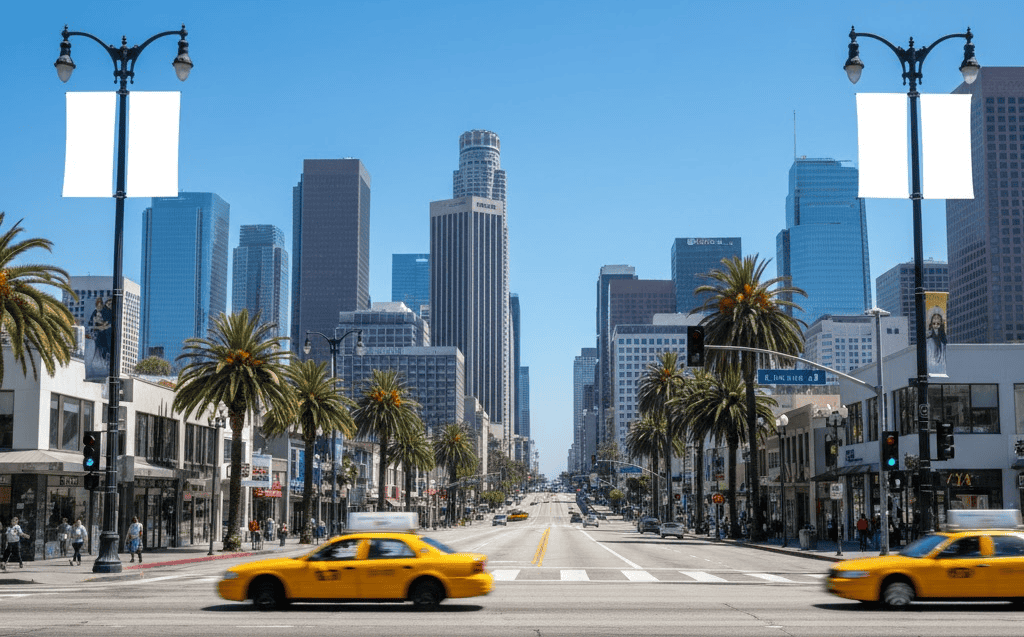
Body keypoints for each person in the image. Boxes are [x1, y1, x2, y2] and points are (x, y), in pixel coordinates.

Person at [926, 310, 948, 375]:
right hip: (933, 371)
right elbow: (929, 359)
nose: (936, 326)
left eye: (938, 324)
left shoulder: (943, 342)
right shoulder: (929, 342)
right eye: (934, 323)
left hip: (942, 370)